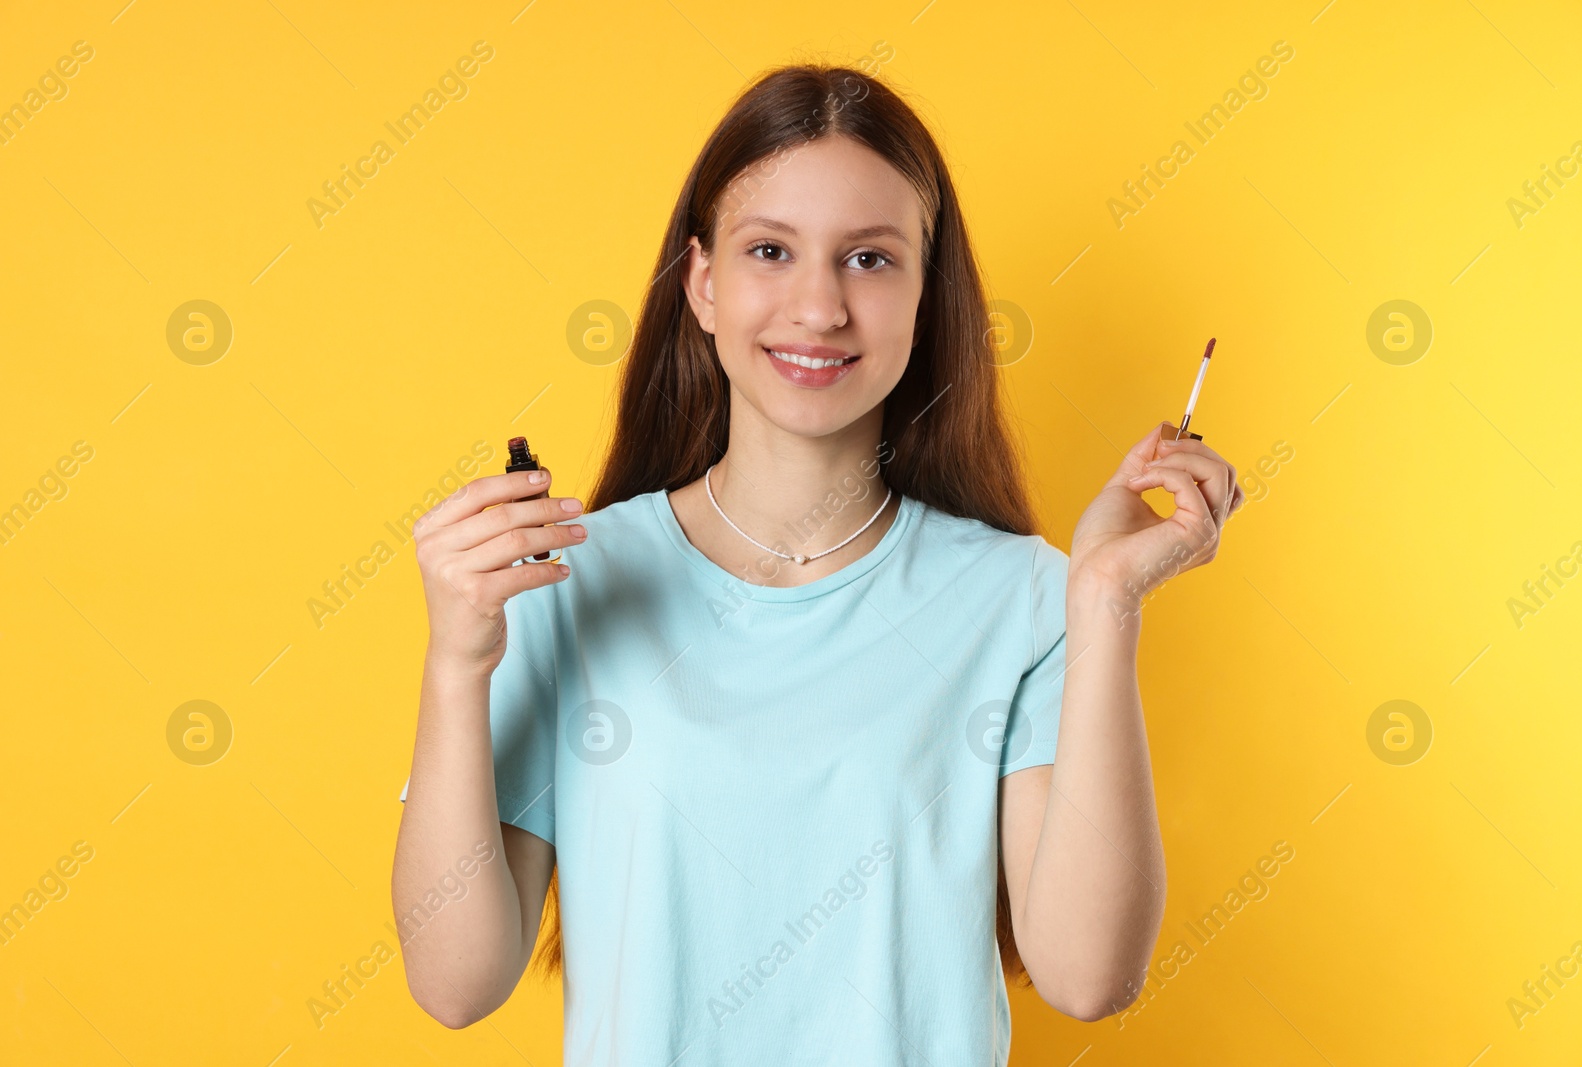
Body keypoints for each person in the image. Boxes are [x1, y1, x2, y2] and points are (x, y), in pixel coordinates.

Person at [391, 63, 1244, 1064]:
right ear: (703, 284)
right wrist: (456, 662)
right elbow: (454, 981)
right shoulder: (565, 581)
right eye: (769, 250)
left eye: (870, 260)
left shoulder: (1023, 600)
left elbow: (1090, 975)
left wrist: (1104, 600)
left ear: (928, 296)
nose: (818, 306)